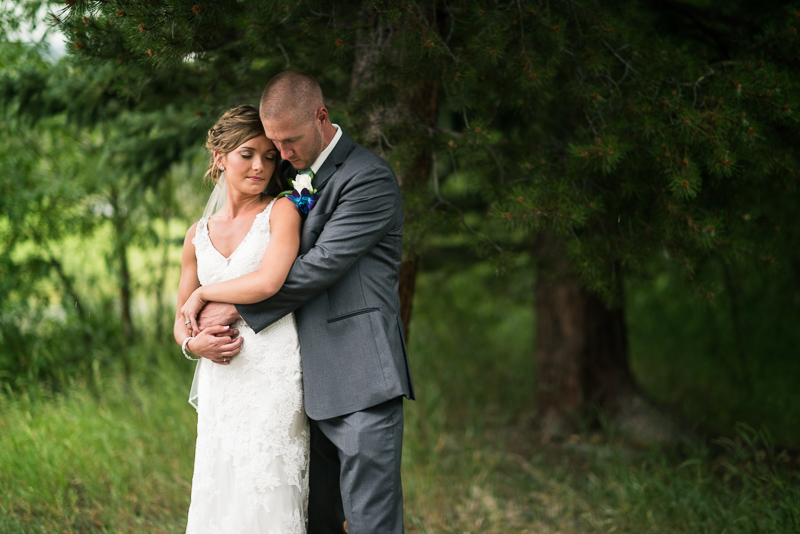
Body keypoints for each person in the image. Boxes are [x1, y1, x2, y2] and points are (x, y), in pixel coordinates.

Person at [196, 71, 416, 533]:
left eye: (290, 142)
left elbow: (321, 264)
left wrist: (236, 305)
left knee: (371, 523)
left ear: (321, 117)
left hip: (360, 380)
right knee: (312, 523)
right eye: (275, 145)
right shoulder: (295, 179)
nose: (283, 155)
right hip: (300, 387)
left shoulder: (367, 178)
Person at [173, 105, 309, 533]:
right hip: (222, 381)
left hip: (274, 372)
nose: (261, 166)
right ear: (219, 158)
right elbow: (181, 319)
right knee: (222, 486)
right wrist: (192, 345)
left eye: (270, 157)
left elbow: (268, 281)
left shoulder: (282, 212)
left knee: (267, 487)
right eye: (248, 154)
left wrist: (204, 292)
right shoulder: (197, 235)